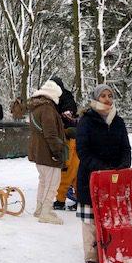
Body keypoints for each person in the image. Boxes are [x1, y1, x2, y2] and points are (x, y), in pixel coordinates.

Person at [76, 84, 131, 263]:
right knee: (91, 220)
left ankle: (110, 252)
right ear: (96, 99)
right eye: (103, 96)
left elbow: (126, 148)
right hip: (91, 177)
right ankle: (92, 258)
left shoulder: (118, 122)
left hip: (114, 179)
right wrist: (101, 168)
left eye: (110, 95)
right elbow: (83, 151)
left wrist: (123, 166)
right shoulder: (86, 121)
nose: (107, 99)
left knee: (112, 217)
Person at [28, 79, 67, 225]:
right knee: (52, 184)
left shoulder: (36, 107)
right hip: (48, 153)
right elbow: (50, 133)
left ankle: (40, 209)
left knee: (44, 182)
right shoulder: (47, 109)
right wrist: (57, 151)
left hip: (39, 152)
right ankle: (45, 212)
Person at [51, 77, 80, 211]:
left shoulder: (64, 97)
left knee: (67, 170)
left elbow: (68, 113)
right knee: (75, 170)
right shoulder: (61, 97)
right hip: (72, 138)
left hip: (68, 139)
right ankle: (79, 199)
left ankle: (60, 200)